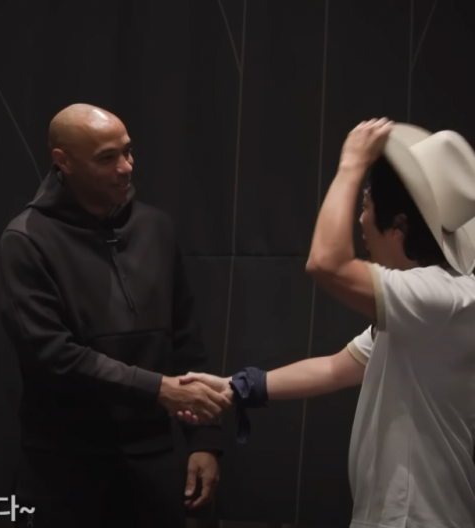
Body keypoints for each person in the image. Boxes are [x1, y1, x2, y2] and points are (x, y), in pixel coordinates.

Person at [179, 119, 475, 527]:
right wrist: (235, 387)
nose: (359, 221)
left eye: (365, 207)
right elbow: (337, 368)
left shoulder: (441, 298)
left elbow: (326, 263)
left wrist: (352, 164)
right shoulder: (425, 307)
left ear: (398, 227)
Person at [0, 103, 232, 528]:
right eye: (107, 158)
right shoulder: (26, 240)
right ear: (63, 161)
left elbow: (186, 339)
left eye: (127, 151)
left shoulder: (157, 227)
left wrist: (204, 439)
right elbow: (53, 356)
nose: (126, 167)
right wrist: (158, 389)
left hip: (156, 459)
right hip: (66, 466)